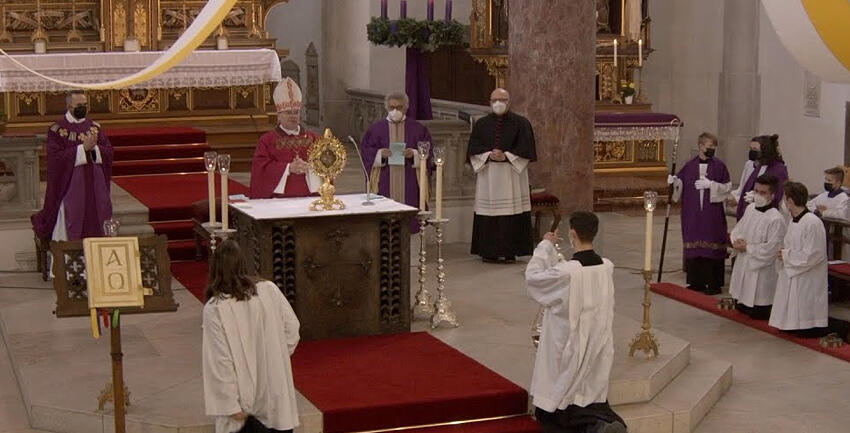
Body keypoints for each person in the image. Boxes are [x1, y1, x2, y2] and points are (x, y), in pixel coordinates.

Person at [526, 211, 626, 433]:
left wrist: (545, 246)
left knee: (559, 404)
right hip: (595, 343)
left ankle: (596, 427)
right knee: (587, 394)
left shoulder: (567, 273)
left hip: (567, 346)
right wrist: (555, 255)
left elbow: (534, 279)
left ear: (572, 234)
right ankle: (602, 423)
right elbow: (567, 273)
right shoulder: (606, 267)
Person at [202, 240, 300, 433]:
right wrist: (276, 356)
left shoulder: (215, 308)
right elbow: (292, 329)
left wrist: (230, 404)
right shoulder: (269, 289)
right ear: (242, 263)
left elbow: (220, 360)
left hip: (243, 406)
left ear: (215, 268)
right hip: (276, 394)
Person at [32, 90, 113, 242]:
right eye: (79, 105)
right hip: (70, 186)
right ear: (69, 107)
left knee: (99, 214)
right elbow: (56, 159)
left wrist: (94, 148)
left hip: (95, 186)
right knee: (73, 218)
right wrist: (82, 149)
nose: (83, 108)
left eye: (85, 105)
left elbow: (108, 152)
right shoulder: (57, 130)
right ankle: (70, 253)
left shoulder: (94, 127)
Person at [467, 88, 537, 264]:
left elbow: (527, 149)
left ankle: (510, 252)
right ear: (490, 103)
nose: (498, 103)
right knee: (488, 212)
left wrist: (506, 156)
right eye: (494, 100)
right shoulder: (481, 124)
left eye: (502, 99)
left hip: (511, 174)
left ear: (508, 101)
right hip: (489, 174)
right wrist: (488, 155)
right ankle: (488, 251)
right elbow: (473, 148)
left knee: (511, 212)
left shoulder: (521, 123)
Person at [360, 91, 434, 233]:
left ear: (406, 108)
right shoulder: (376, 129)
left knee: (409, 219)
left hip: (410, 179)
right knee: (385, 223)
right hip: (385, 179)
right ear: (386, 107)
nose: (395, 111)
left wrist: (414, 153)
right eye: (392, 107)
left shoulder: (418, 129)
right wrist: (380, 154)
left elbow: (428, 151)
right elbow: (366, 152)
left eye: (399, 107)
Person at [668, 132, 731, 295]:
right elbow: (680, 184)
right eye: (710, 146)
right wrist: (674, 182)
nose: (712, 149)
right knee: (695, 246)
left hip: (712, 214)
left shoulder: (719, 166)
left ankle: (714, 284)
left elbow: (727, 188)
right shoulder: (689, 166)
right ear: (701, 146)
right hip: (693, 214)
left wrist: (712, 185)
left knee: (712, 245)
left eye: (714, 147)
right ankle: (696, 282)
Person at [769, 182, 829, 338]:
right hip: (792, 269)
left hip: (808, 275)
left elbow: (815, 254)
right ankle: (791, 323)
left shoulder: (813, 222)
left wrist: (786, 255)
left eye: (784, 198)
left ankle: (808, 326)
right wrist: (783, 253)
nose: (783, 202)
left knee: (805, 309)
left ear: (790, 201)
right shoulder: (793, 220)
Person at [250, 77, 320, 199]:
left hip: (310, 198)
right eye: (288, 113)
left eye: (296, 112)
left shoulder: (314, 139)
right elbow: (261, 170)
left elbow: (327, 166)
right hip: (278, 200)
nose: (293, 117)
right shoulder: (267, 140)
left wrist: (309, 167)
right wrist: (288, 168)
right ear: (279, 115)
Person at [729, 174, 786, 319]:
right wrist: (737, 240)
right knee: (741, 306)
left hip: (762, 270)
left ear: (772, 195)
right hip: (744, 260)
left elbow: (772, 249)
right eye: (756, 191)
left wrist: (748, 248)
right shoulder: (750, 208)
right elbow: (739, 229)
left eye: (763, 192)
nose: (758, 195)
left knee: (757, 312)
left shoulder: (776, 219)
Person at [734, 134, 788, 220]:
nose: (752, 152)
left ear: (765, 151)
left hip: (766, 215)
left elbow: (777, 195)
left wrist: (757, 198)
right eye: (751, 149)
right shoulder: (760, 166)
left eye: (755, 149)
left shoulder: (779, 169)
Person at [729, 140, 759, 204]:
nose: (752, 151)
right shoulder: (749, 164)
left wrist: (737, 200)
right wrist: (733, 195)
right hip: (743, 199)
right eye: (750, 148)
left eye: (755, 149)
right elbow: (742, 186)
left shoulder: (766, 168)